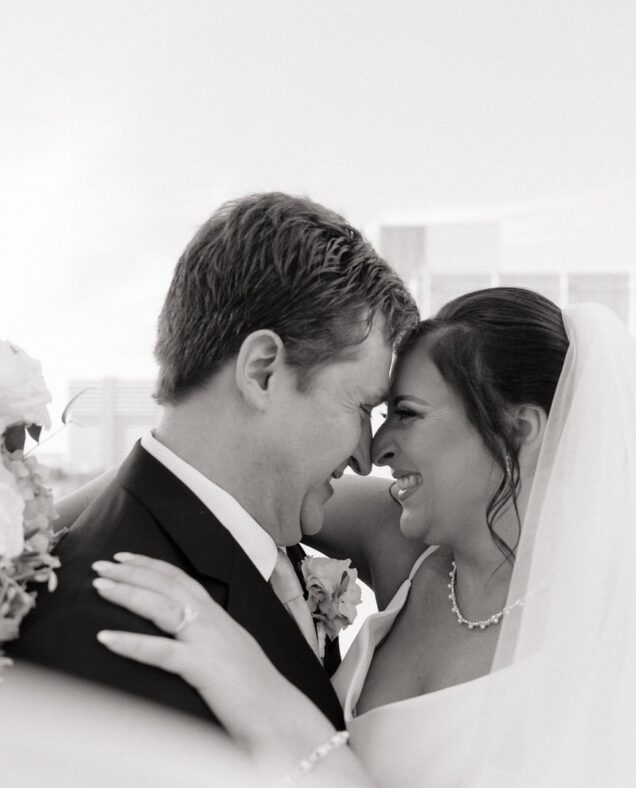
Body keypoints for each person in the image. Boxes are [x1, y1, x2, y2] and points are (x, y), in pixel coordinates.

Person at [86, 288, 636, 788]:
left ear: (518, 428)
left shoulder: (615, 647)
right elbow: (197, 472)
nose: (375, 451)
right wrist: (23, 522)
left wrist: (266, 697)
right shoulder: (403, 541)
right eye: (376, 412)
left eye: (408, 413)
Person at [12, 192, 418, 726]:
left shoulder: (271, 540)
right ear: (262, 372)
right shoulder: (103, 630)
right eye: (361, 408)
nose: (367, 460)